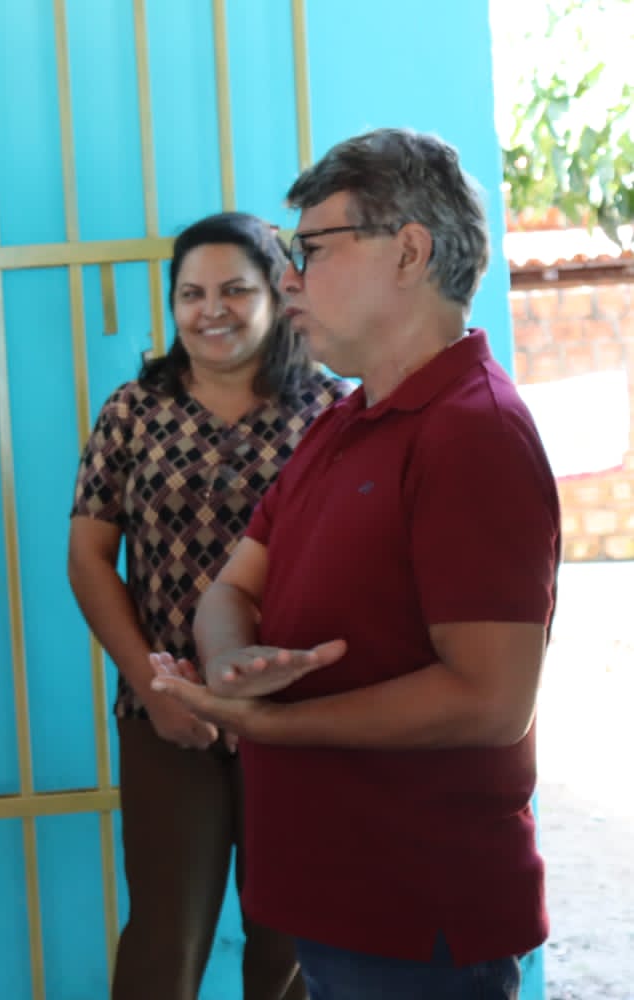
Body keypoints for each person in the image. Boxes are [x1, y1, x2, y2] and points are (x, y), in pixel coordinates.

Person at [149, 129, 560, 1000]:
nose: (290, 278)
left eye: (314, 249)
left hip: (421, 911)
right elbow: (234, 586)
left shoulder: (471, 430)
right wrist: (232, 666)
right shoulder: (343, 424)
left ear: (410, 250)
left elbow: (490, 699)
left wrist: (270, 724)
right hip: (336, 902)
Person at [68, 212, 345, 1000]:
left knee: (293, 939)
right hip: (170, 710)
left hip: (301, 712)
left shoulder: (332, 412)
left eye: (234, 289)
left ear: (277, 293)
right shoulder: (132, 412)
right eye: (191, 293)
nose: (210, 310)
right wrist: (155, 689)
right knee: (168, 933)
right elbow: (88, 559)